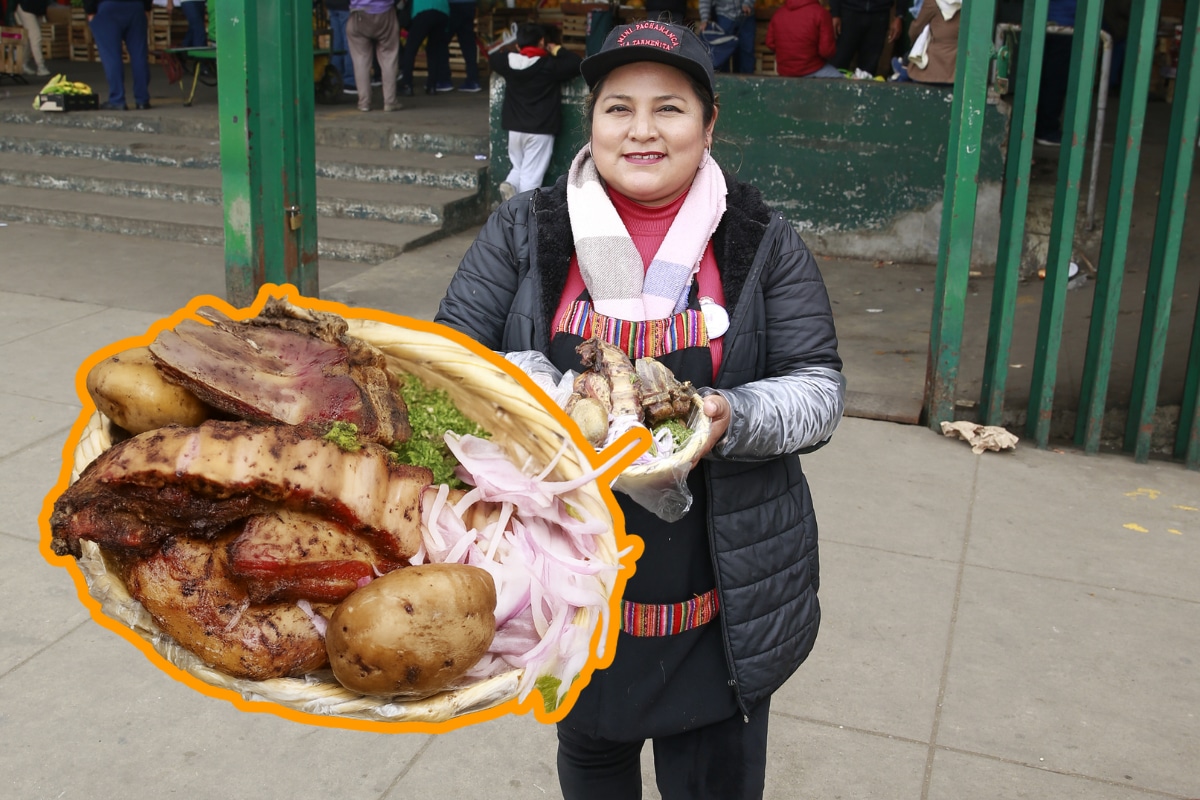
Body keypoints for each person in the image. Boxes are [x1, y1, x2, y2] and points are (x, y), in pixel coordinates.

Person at [435, 19, 844, 799]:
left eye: (670, 108)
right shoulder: (528, 227)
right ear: (590, 121)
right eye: (618, 107)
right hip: (572, 595)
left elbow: (819, 390)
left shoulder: (759, 238)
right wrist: (550, 394)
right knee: (592, 761)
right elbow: (453, 357)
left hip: (721, 599)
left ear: (709, 124)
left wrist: (728, 415)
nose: (642, 130)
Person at [488, 22, 583, 200]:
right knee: (531, 178)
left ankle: (510, 184)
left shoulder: (508, 62)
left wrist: (514, 50)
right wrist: (556, 49)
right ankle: (524, 210)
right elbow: (576, 63)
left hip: (514, 129)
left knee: (518, 167)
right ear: (541, 42)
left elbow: (493, 58)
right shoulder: (549, 66)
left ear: (518, 45)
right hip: (540, 130)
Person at [84, 0, 153, 111]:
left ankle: (117, 99)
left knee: (111, 56)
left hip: (107, 7)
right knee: (139, 54)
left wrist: (90, 10)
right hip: (136, 7)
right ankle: (142, 100)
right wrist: (146, 7)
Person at [1035, 0, 1077, 146]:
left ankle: (1035, 126)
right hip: (1063, 26)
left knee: (1041, 78)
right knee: (1055, 81)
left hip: (1044, 21)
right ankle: (1046, 129)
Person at [766, 0, 843, 78]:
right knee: (843, 81)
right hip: (813, 69)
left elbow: (770, 43)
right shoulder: (821, 13)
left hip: (785, 71)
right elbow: (826, 52)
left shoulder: (778, 14)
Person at [347, 0, 402, 111]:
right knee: (388, 56)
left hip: (359, 14)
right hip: (385, 13)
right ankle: (390, 101)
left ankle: (364, 103)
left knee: (360, 59)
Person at [829, 0, 901, 77]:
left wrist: (899, 16)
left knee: (867, 71)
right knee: (837, 65)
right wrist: (835, 13)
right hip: (848, 11)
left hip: (879, 13)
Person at [899, 0, 958, 86]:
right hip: (959, 69)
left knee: (905, 73)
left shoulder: (933, 2)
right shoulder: (972, 4)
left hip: (932, 68)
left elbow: (916, 29)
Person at [399, 0, 452, 95]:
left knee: (410, 49)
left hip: (423, 8)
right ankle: (432, 86)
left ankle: (407, 84)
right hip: (443, 10)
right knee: (434, 50)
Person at [699, 0, 758, 74]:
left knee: (747, 50)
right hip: (724, 16)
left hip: (746, 16)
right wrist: (704, 19)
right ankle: (724, 78)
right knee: (722, 53)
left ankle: (747, 78)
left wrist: (748, 3)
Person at [446, 0, 482, 91]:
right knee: (468, 43)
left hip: (452, 5)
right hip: (469, 4)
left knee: (441, 42)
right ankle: (473, 80)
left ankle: (443, 80)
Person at [14, 0, 50, 77]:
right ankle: (41, 66)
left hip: (38, 8)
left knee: (29, 38)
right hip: (26, 7)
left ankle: (23, 63)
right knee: (36, 37)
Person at [325, 0, 355, 94]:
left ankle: (335, 78)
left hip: (331, 4)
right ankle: (350, 80)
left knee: (336, 42)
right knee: (349, 41)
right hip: (346, 5)